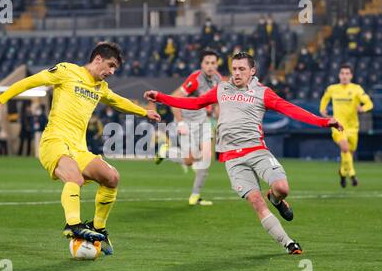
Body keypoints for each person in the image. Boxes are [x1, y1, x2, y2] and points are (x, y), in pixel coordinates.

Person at [144, 52, 343, 254]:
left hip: (257, 150)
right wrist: (161, 97)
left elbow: (291, 110)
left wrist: (324, 121)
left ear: (252, 71)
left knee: (282, 188)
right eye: (234, 69)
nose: (237, 73)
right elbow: (195, 103)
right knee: (256, 201)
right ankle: (288, 243)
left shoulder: (263, 92)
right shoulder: (221, 88)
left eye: (242, 69)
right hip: (232, 157)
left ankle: (275, 199)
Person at [0, 42, 161, 255]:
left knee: (112, 177)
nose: (112, 72)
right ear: (97, 59)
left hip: (79, 148)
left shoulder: (100, 87)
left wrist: (143, 112)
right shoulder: (66, 71)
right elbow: (31, 81)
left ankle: (98, 227)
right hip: (54, 142)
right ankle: (73, 225)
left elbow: (117, 101)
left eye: (115, 69)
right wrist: (0, 99)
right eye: (110, 65)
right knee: (74, 178)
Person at [154, 49, 223, 206]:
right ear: (201, 64)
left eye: (213, 63)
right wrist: (180, 123)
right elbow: (174, 98)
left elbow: (217, 103)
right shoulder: (195, 79)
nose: (210, 66)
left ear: (217, 64)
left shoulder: (218, 79)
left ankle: (195, 196)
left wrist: (219, 124)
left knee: (206, 158)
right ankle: (166, 152)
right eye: (207, 63)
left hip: (202, 120)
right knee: (189, 160)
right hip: (186, 120)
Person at [320, 64, 373, 187]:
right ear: (339, 75)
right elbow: (324, 99)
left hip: (353, 127)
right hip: (338, 126)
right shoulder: (332, 88)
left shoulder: (356, 89)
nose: (344, 76)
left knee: (349, 153)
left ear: (351, 75)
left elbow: (369, 103)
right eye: (342, 73)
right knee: (345, 148)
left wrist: (363, 109)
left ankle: (343, 173)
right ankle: (353, 176)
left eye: (347, 73)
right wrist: (322, 110)